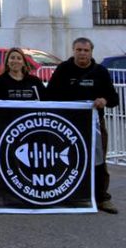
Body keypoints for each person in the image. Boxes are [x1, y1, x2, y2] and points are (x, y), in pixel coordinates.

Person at [46, 37, 119, 214]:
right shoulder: (63, 69)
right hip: (67, 125)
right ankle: (65, 194)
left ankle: (102, 198)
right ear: (73, 51)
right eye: (78, 50)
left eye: (86, 51)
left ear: (91, 52)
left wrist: (104, 100)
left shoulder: (100, 71)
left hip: (94, 124)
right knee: (66, 160)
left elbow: (114, 99)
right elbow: (49, 95)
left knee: (99, 161)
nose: (82, 54)